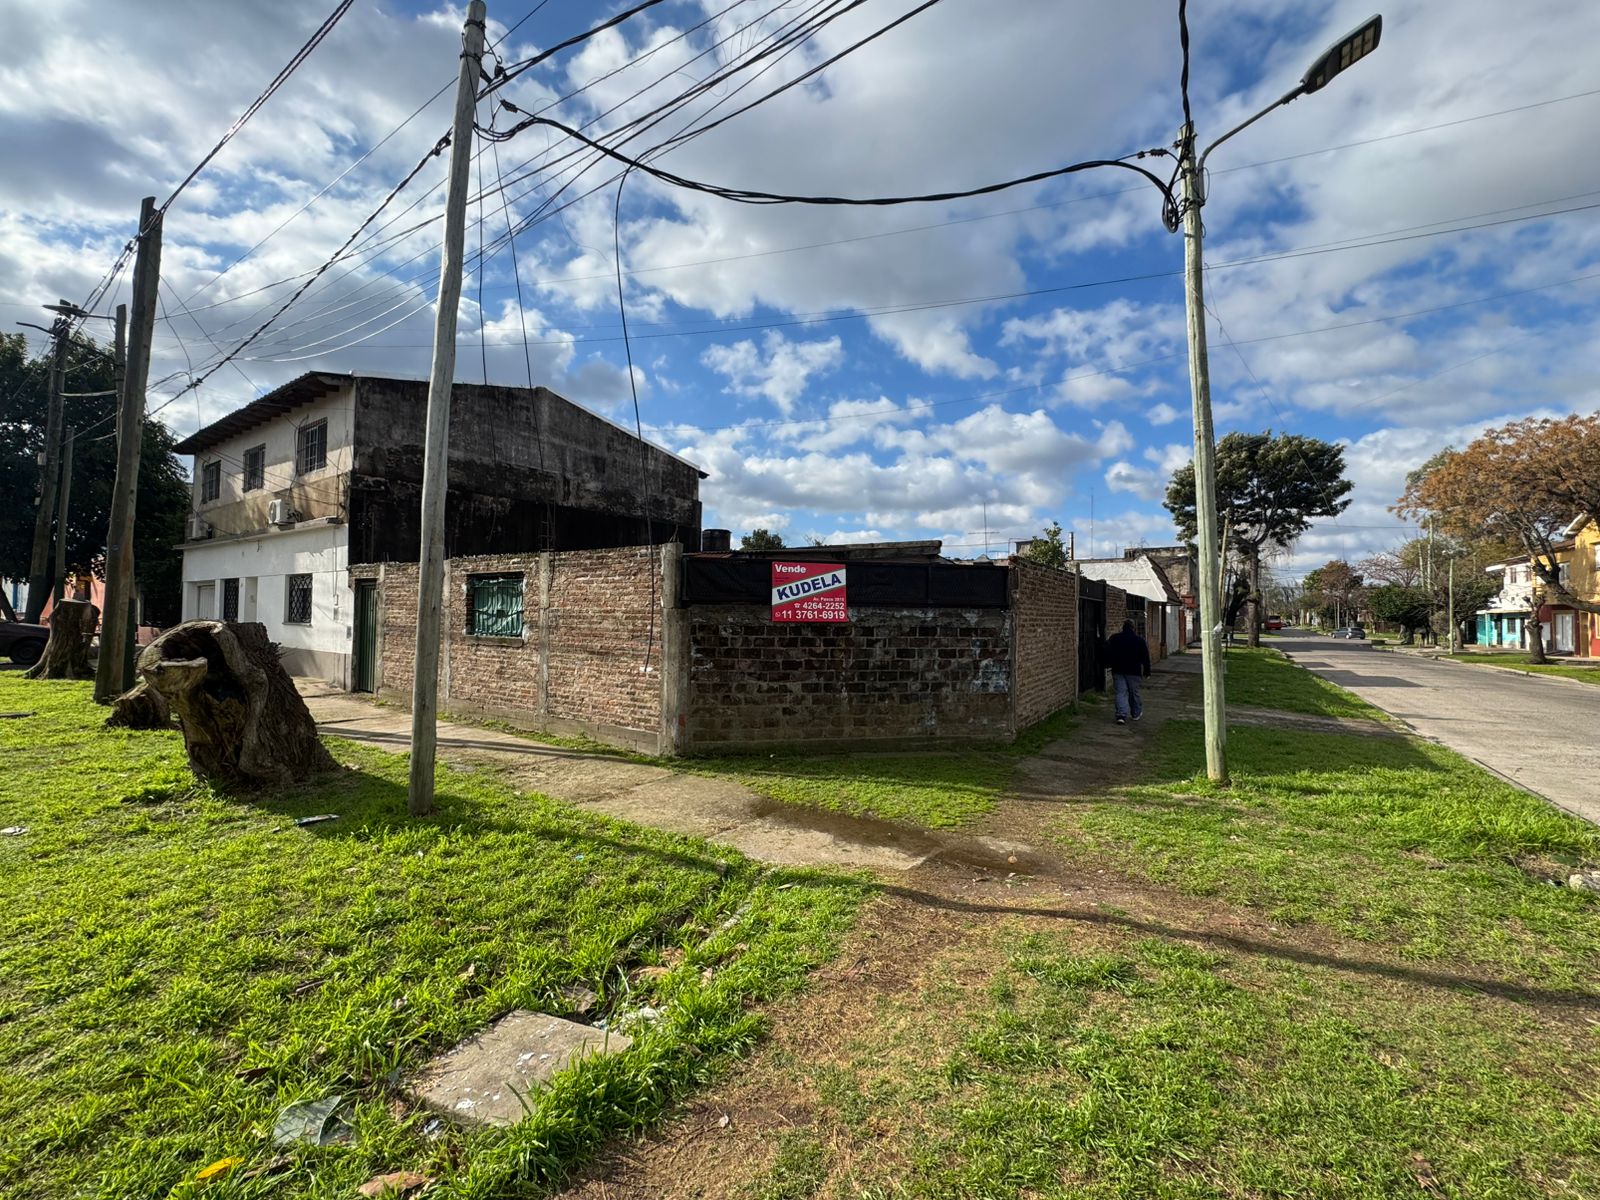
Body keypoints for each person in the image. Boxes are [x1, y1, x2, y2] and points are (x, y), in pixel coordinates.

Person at [1105, 619, 1151, 725]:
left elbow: (1107, 651)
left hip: (1118, 669)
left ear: (1123, 627)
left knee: (1120, 693)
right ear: (1133, 628)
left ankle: (1121, 714)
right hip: (1134, 671)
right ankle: (1135, 713)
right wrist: (1147, 671)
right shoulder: (1139, 640)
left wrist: (1108, 663)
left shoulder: (1115, 638)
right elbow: (1145, 657)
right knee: (1133, 693)